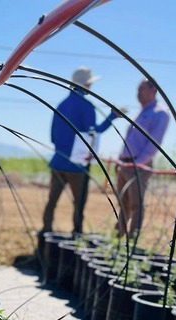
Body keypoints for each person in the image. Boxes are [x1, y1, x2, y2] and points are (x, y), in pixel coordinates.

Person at [41, 67, 118, 235]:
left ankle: (46, 229)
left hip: (58, 160)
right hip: (77, 165)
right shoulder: (86, 106)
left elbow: (53, 136)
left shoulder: (61, 105)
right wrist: (112, 117)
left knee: (52, 200)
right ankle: (77, 233)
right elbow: (93, 132)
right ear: (86, 85)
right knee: (79, 202)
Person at [114, 79, 170, 239]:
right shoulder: (142, 111)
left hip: (138, 165)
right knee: (123, 202)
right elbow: (129, 140)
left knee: (136, 204)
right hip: (126, 163)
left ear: (154, 90)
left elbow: (154, 143)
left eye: (142, 89)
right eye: (137, 90)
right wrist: (120, 159)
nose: (138, 94)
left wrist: (139, 163)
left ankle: (132, 240)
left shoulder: (160, 113)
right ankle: (118, 237)